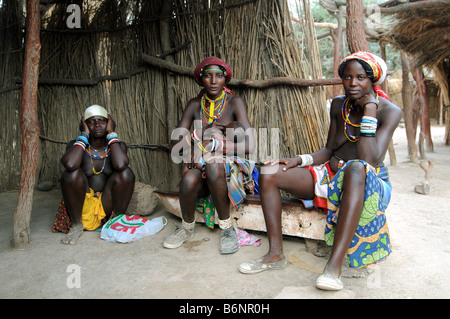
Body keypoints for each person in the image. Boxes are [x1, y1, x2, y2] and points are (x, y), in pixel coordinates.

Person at [238, 51, 402, 291]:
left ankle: (333, 268)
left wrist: (369, 108)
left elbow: (369, 159)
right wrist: (298, 160)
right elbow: (330, 148)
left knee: (356, 167)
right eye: (347, 77)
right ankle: (275, 254)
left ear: (373, 80)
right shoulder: (338, 105)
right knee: (269, 172)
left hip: (369, 183)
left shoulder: (389, 111)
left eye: (360, 78)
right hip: (329, 175)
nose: (353, 83)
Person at [164, 56, 255, 254]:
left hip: (226, 167)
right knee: (188, 180)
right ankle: (187, 227)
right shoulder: (195, 105)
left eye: (219, 76)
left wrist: (214, 144)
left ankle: (226, 226)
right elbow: (175, 145)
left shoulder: (234, 102)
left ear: (225, 79)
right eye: (208, 76)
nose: (213, 81)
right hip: (199, 163)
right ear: (201, 79)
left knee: (214, 163)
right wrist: (201, 133)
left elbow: (249, 145)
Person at [58, 104, 135, 244]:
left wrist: (111, 133)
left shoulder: (118, 146)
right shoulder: (75, 145)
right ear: (84, 125)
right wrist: (84, 135)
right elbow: (69, 164)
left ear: (109, 123)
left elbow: (120, 164)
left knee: (126, 173)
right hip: (81, 207)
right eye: (91, 121)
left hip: (106, 205)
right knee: (71, 174)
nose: (97, 124)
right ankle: (76, 226)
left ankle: (117, 221)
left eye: (102, 121)